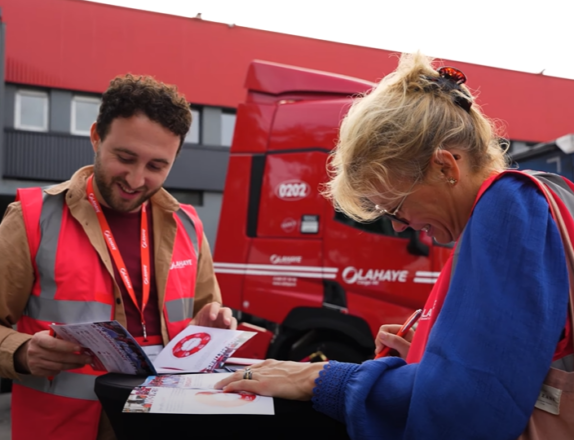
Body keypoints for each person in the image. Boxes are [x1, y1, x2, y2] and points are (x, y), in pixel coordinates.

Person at [216, 52, 574, 439]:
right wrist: (433, 355)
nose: (405, 227)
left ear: (445, 167)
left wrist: (327, 379)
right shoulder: (542, 195)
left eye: (398, 209)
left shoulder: (506, 209)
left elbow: (469, 402)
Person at [0, 74, 236, 440]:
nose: (135, 179)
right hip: (66, 428)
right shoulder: (34, 217)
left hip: (169, 421)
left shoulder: (188, 224)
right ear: (96, 136)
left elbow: (206, 315)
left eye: (156, 166)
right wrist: (20, 351)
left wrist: (214, 327)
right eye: (125, 157)